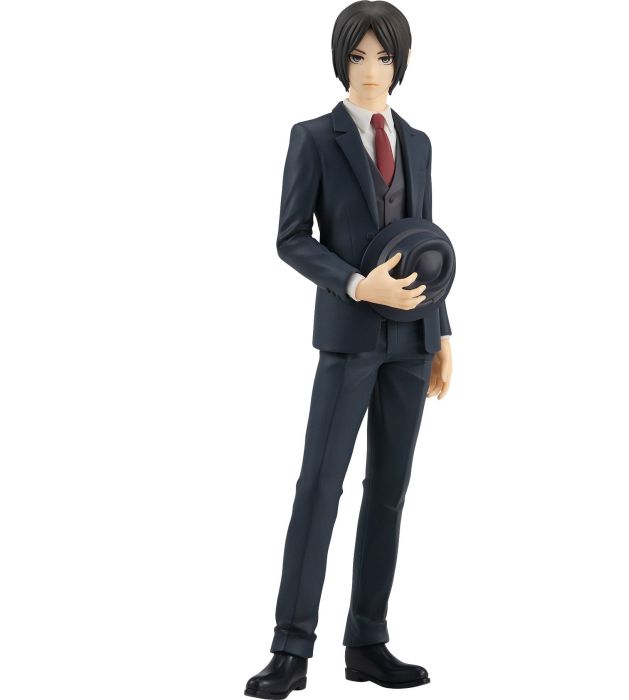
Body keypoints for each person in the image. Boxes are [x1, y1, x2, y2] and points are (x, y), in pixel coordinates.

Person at [245, 2, 453, 696]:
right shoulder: (313, 137)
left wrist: (441, 331)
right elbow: (291, 238)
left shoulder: (418, 142)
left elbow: (426, 240)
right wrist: (359, 285)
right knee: (319, 487)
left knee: (388, 492)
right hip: (349, 340)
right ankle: (291, 649)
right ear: (341, 60)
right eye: (359, 56)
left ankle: (368, 641)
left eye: (383, 58)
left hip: (411, 343)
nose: (371, 71)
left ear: (400, 63)